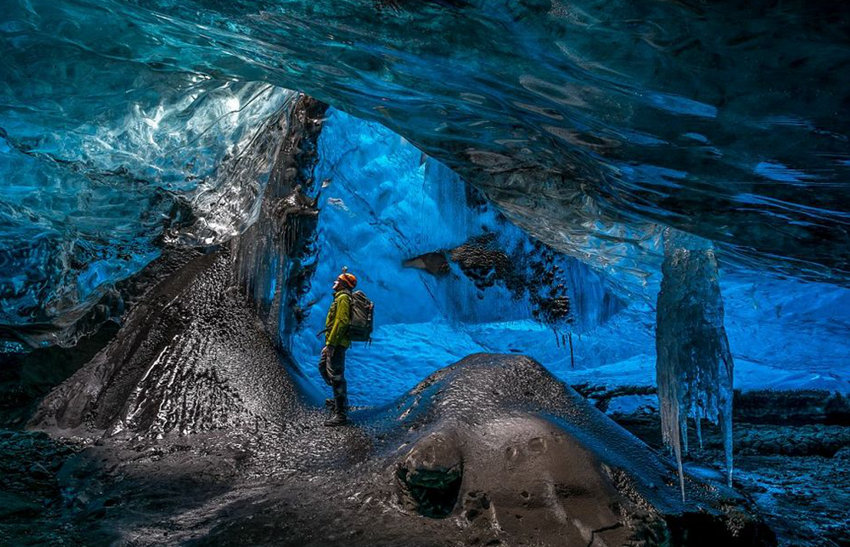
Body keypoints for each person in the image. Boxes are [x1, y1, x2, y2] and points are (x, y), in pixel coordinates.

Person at [319, 269, 357, 426]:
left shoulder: (343, 298)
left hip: (337, 343)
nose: (334, 282)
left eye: (337, 280)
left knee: (336, 375)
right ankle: (339, 399)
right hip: (335, 342)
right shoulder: (340, 298)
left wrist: (331, 344)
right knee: (323, 366)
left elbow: (341, 322)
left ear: (343, 284)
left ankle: (340, 414)